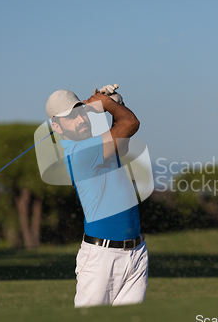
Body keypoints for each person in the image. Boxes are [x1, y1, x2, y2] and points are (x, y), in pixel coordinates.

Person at [45, 86, 148, 307]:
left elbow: (123, 140)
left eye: (82, 112)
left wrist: (114, 102)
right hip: (101, 258)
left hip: (136, 253)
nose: (80, 119)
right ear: (57, 127)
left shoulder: (100, 145)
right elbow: (131, 124)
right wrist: (108, 105)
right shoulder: (79, 153)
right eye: (70, 118)